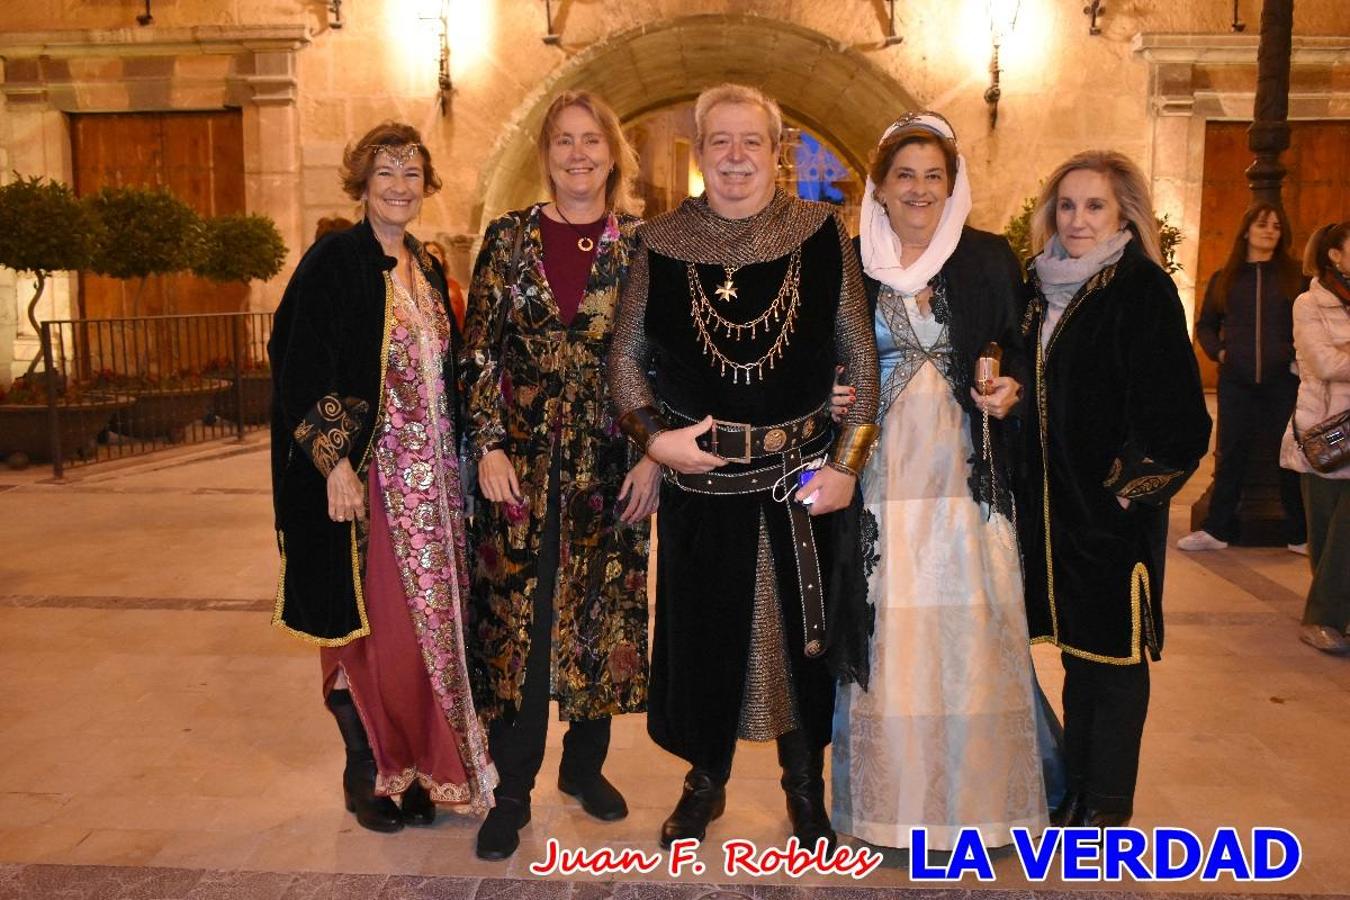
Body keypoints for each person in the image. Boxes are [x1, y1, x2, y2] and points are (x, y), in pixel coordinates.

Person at [609, 82, 879, 851]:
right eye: (719, 142)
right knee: (704, 635)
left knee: (805, 638)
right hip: (704, 483)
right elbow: (625, 358)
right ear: (700, 153)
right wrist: (655, 442)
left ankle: (806, 789)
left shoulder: (822, 233)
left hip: (802, 478)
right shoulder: (659, 241)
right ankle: (704, 783)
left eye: (750, 141)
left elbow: (858, 352)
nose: (735, 158)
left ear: (775, 151)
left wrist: (849, 465)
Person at [268, 121, 496, 833]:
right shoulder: (337, 259)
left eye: (411, 172)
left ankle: (422, 767)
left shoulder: (426, 268)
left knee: (434, 633)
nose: (400, 186)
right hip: (373, 484)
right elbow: (300, 362)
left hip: (436, 487)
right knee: (377, 635)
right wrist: (334, 463)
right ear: (362, 184)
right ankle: (368, 772)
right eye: (385, 172)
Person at [828, 112, 1047, 851]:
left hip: (963, 478)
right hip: (880, 482)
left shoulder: (986, 259)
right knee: (892, 635)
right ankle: (894, 811)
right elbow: (820, 363)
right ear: (880, 188)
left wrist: (1010, 390)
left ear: (952, 187)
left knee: (969, 632)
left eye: (934, 177)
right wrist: (826, 396)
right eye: (904, 176)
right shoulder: (851, 261)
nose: (919, 190)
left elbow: (1017, 353)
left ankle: (980, 805)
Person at [460, 91, 659, 861]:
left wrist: (653, 454)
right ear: (546, 153)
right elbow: (478, 351)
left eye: (592, 142)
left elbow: (659, 362)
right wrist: (487, 445)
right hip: (523, 465)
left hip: (610, 465)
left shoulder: (643, 247)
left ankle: (585, 768)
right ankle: (512, 791)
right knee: (524, 622)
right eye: (564, 142)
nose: (578, 155)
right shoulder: (509, 239)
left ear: (614, 153)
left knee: (599, 614)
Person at [1020, 150, 1211, 828]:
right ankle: (1077, 786)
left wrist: (1129, 492)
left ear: (1122, 213)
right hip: (1050, 518)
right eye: (1067, 205)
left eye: (1094, 205)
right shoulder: (1036, 288)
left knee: (1118, 661)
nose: (1078, 220)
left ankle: (1107, 806)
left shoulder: (1139, 289)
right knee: (1080, 661)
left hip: (1109, 517)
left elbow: (1183, 419)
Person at [1179, 203, 1307, 553]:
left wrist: (1294, 357)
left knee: (1287, 455)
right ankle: (1217, 530)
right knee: (1231, 452)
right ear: (1247, 230)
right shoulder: (1227, 278)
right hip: (1237, 380)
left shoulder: (1295, 278)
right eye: (1263, 224)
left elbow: (1307, 325)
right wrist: (1220, 353)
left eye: (1277, 227)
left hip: (1283, 380)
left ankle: (1299, 534)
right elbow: (1205, 324)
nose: (1270, 231)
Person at [1280, 222, 1350, 654]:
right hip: (1327, 432)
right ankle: (1326, 617)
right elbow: (1323, 362)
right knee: (1325, 534)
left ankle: (1325, 614)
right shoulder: (1310, 303)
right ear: (1335, 256)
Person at [424, 239, 467, 333]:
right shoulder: (417, 284)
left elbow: (461, 319)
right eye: (426, 253)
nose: (431, 256)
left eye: (435, 252)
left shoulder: (453, 286)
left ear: (443, 258)